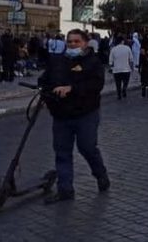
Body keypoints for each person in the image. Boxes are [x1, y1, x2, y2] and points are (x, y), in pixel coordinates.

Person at [37, 29, 109, 204]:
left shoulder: (93, 62)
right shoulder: (57, 61)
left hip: (86, 114)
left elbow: (96, 84)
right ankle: (65, 189)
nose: (72, 44)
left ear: (85, 43)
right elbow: (44, 81)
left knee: (87, 147)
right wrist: (47, 96)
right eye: (69, 42)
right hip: (61, 115)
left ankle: (100, 174)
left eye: (76, 41)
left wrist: (71, 89)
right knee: (62, 152)